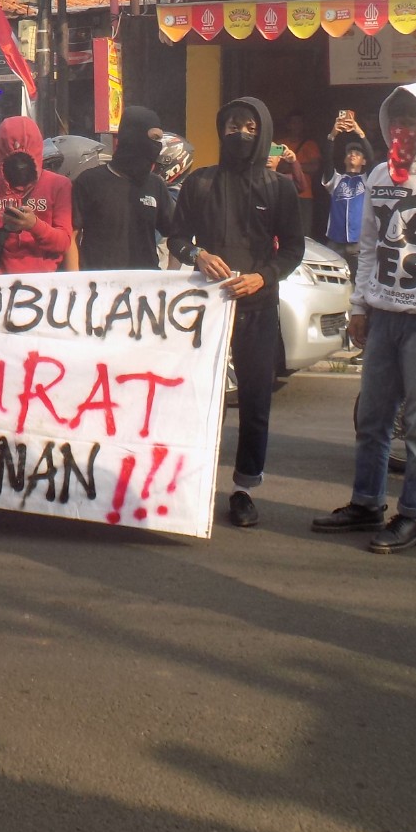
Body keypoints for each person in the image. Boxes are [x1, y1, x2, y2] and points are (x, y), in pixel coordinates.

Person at [313, 83, 416, 553]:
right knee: (372, 417)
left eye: (414, 120)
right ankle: (366, 502)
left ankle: (413, 514)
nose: (404, 129)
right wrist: (359, 305)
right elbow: (369, 247)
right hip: (383, 318)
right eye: (397, 119)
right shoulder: (380, 176)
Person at [166, 97, 305, 529]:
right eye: (231, 125)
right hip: (204, 311)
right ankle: (190, 481)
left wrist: (263, 277)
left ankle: (244, 489)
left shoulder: (278, 187)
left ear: (261, 130)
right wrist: (198, 253)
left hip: (257, 308)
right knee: (194, 398)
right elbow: (176, 241)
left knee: (255, 400)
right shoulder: (199, 183)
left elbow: (294, 250)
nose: (239, 133)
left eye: (248, 126)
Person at [0, 116, 75, 277]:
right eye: (13, 163)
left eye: (26, 162)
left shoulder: (59, 185)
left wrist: (33, 225)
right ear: (1, 157)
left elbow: (64, 242)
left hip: (44, 285)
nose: (20, 168)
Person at [72, 105, 173, 271]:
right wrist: (75, 282)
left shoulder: (156, 184)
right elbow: (72, 236)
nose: (156, 145)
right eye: (153, 137)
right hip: (100, 287)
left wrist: (171, 278)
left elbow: (175, 235)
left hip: (145, 287)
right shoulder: (89, 181)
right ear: (132, 135)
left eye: (159, 140)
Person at [322, 112, 371, 277]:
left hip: (358, 241)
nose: (352, 155)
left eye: (357, 154)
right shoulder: (336, 180)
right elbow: (327, 160)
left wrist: (360, 132)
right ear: (344, 159)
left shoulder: (367, 180)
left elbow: (372, 159)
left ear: (363, 161)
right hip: (335, 240)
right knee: (334, 279)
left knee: (359, 280)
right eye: (349, 153)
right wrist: (332, 135)